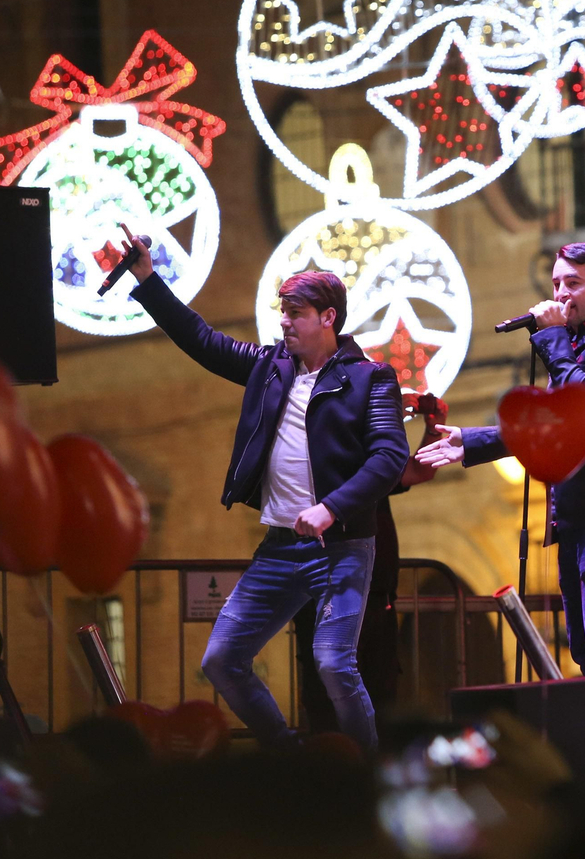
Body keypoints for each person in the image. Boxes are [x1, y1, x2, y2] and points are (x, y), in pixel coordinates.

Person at [118, 225, 408, 754]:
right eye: (284, 311)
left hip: (343, 547)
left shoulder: (372, 379)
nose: (284, 321)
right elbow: (202, 341)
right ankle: (290, 755)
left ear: (328, 319)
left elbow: (390, 457)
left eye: (295, 313)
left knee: (333, 664)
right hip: (280, 547)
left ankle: (369, 771)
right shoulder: (270, 368)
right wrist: (148, 280)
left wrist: (329, 509)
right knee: (221, 661)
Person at [416, 242, 585, 675]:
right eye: (555, 283)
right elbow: (551, 425)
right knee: (583, 648)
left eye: (572, 283)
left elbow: (579, 400)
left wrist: (550, 339)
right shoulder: (575, 340)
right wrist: (471, 442)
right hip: (578, 510)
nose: (560, 293)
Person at [294, 393, 447, 734]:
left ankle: (370, 772)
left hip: (376, 594)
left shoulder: (370, 458)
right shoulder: (325, 452)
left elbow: (416, 471)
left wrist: (433, 428)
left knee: (377, 695)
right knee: (330, 701)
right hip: (328, 592)